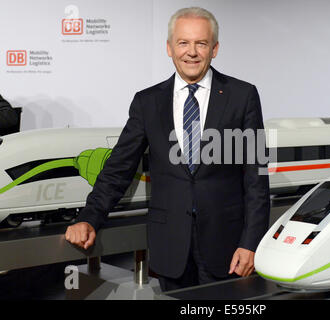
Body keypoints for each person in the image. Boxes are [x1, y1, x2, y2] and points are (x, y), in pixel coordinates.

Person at [65, 7, 270, 291]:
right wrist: (89, 217)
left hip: (228, 246)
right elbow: (118, 168)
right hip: (170, 246)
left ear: (215, 48)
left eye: (201, 43)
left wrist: (251, 243)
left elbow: (256, 177)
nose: (192, 52)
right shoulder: (147, 102)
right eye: (183, 43)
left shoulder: (242, 95)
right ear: (169, 48)